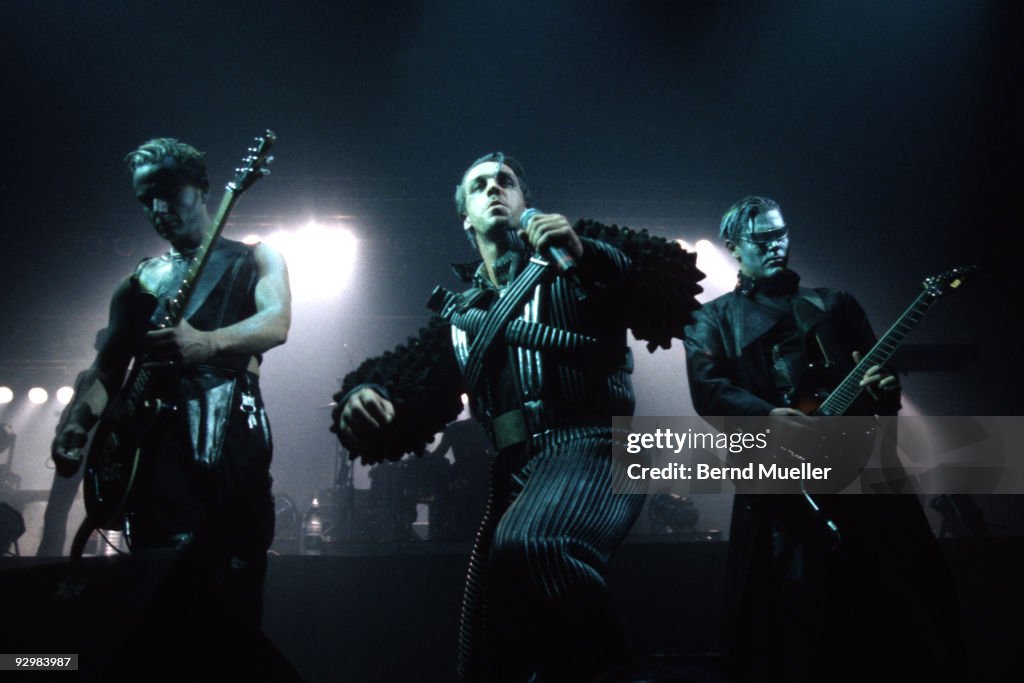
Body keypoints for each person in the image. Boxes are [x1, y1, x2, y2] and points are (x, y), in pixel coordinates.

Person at [332, 152, 703, 682]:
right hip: (515, 472)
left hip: (599, 448)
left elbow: (670, 284)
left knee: (535, 543)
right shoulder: (461, 318)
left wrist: (587, 252)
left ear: (525, 200)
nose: (494, 189)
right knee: (492, 649)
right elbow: (406, 377)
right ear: (466, 216)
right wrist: (365, 396)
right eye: (479, 185)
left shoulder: (575, 249)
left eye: (506, 181)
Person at [684, 196, 964, 681]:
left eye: (782, 233)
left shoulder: (835, 304)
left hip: (866, 478)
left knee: (897, 610)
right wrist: (769, 415)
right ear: (733, 246)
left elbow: (877, 378)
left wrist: (885, 390)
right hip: (785, 494)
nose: (776, 246)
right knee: (794, 619)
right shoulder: (711, 320)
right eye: (762, 238)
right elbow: (710, 393)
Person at [50, 137, 291, 674]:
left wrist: (204, 344)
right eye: (145, 199)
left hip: (231, 441)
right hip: (154, 456)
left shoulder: (257, 257)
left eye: (169, 192)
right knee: (166, 590)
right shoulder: (136, 281)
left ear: (203, 187)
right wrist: (79, 420)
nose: (159, 209)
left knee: (233, 590)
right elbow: (108, 368)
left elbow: (276, 324)